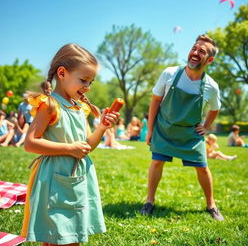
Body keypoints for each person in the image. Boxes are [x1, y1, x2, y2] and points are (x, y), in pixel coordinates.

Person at [21, 43, 120, 246]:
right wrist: (69, 149)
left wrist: (101, 128)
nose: (87, 87)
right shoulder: (49, 105)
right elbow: (30, 143)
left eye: (91, 82)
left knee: (70, 235)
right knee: (57, 236)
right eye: (83, 80)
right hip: (55, 180)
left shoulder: (79, 108)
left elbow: (86, 146)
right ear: (62, 73)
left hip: (76, 178)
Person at [140, 34, 224, 221]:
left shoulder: (211, 86)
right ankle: (149, 201)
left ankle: (211, 205)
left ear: (209, 60)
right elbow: (155, 101)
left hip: (190, 134)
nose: (195, 52)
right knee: (156, 162)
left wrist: (206, 126)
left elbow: (215, 109)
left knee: (202, 168)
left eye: (201, 51)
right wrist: (151, 130)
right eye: (194, 48)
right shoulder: (170, 73)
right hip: (164, 129)